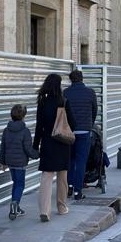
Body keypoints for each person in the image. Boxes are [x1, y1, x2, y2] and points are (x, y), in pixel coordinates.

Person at [33, 74, 76, 222]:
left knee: (46, 176)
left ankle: (44, 211)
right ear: (58, 85)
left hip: (47, 143)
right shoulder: (63, 101)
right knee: (62, 176)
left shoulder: (42, 101)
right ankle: (61, 207)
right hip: (62, 143)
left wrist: (35, 145)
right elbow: (73, 124)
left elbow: (39, 126)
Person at [0, 104, 39, 220]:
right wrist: (37, 155)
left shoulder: (6, 130)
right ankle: (15, 203)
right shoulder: (25, 131)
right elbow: (28, 149)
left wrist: (3, 162)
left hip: (10, 162)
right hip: (20, 163)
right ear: (23, 117)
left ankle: (15, 206)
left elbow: (3, 147)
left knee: (15, 183)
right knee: (20, 184)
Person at [64, 69, 97, 200]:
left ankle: (69, 187)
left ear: (71, 80)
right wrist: (90, 124)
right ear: (82, 78)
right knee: (81, 161)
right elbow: (94, 110)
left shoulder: (65, 93)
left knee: (70, 160)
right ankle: (78, 191)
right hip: (84, 131)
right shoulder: (90, 92)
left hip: (69, 132)